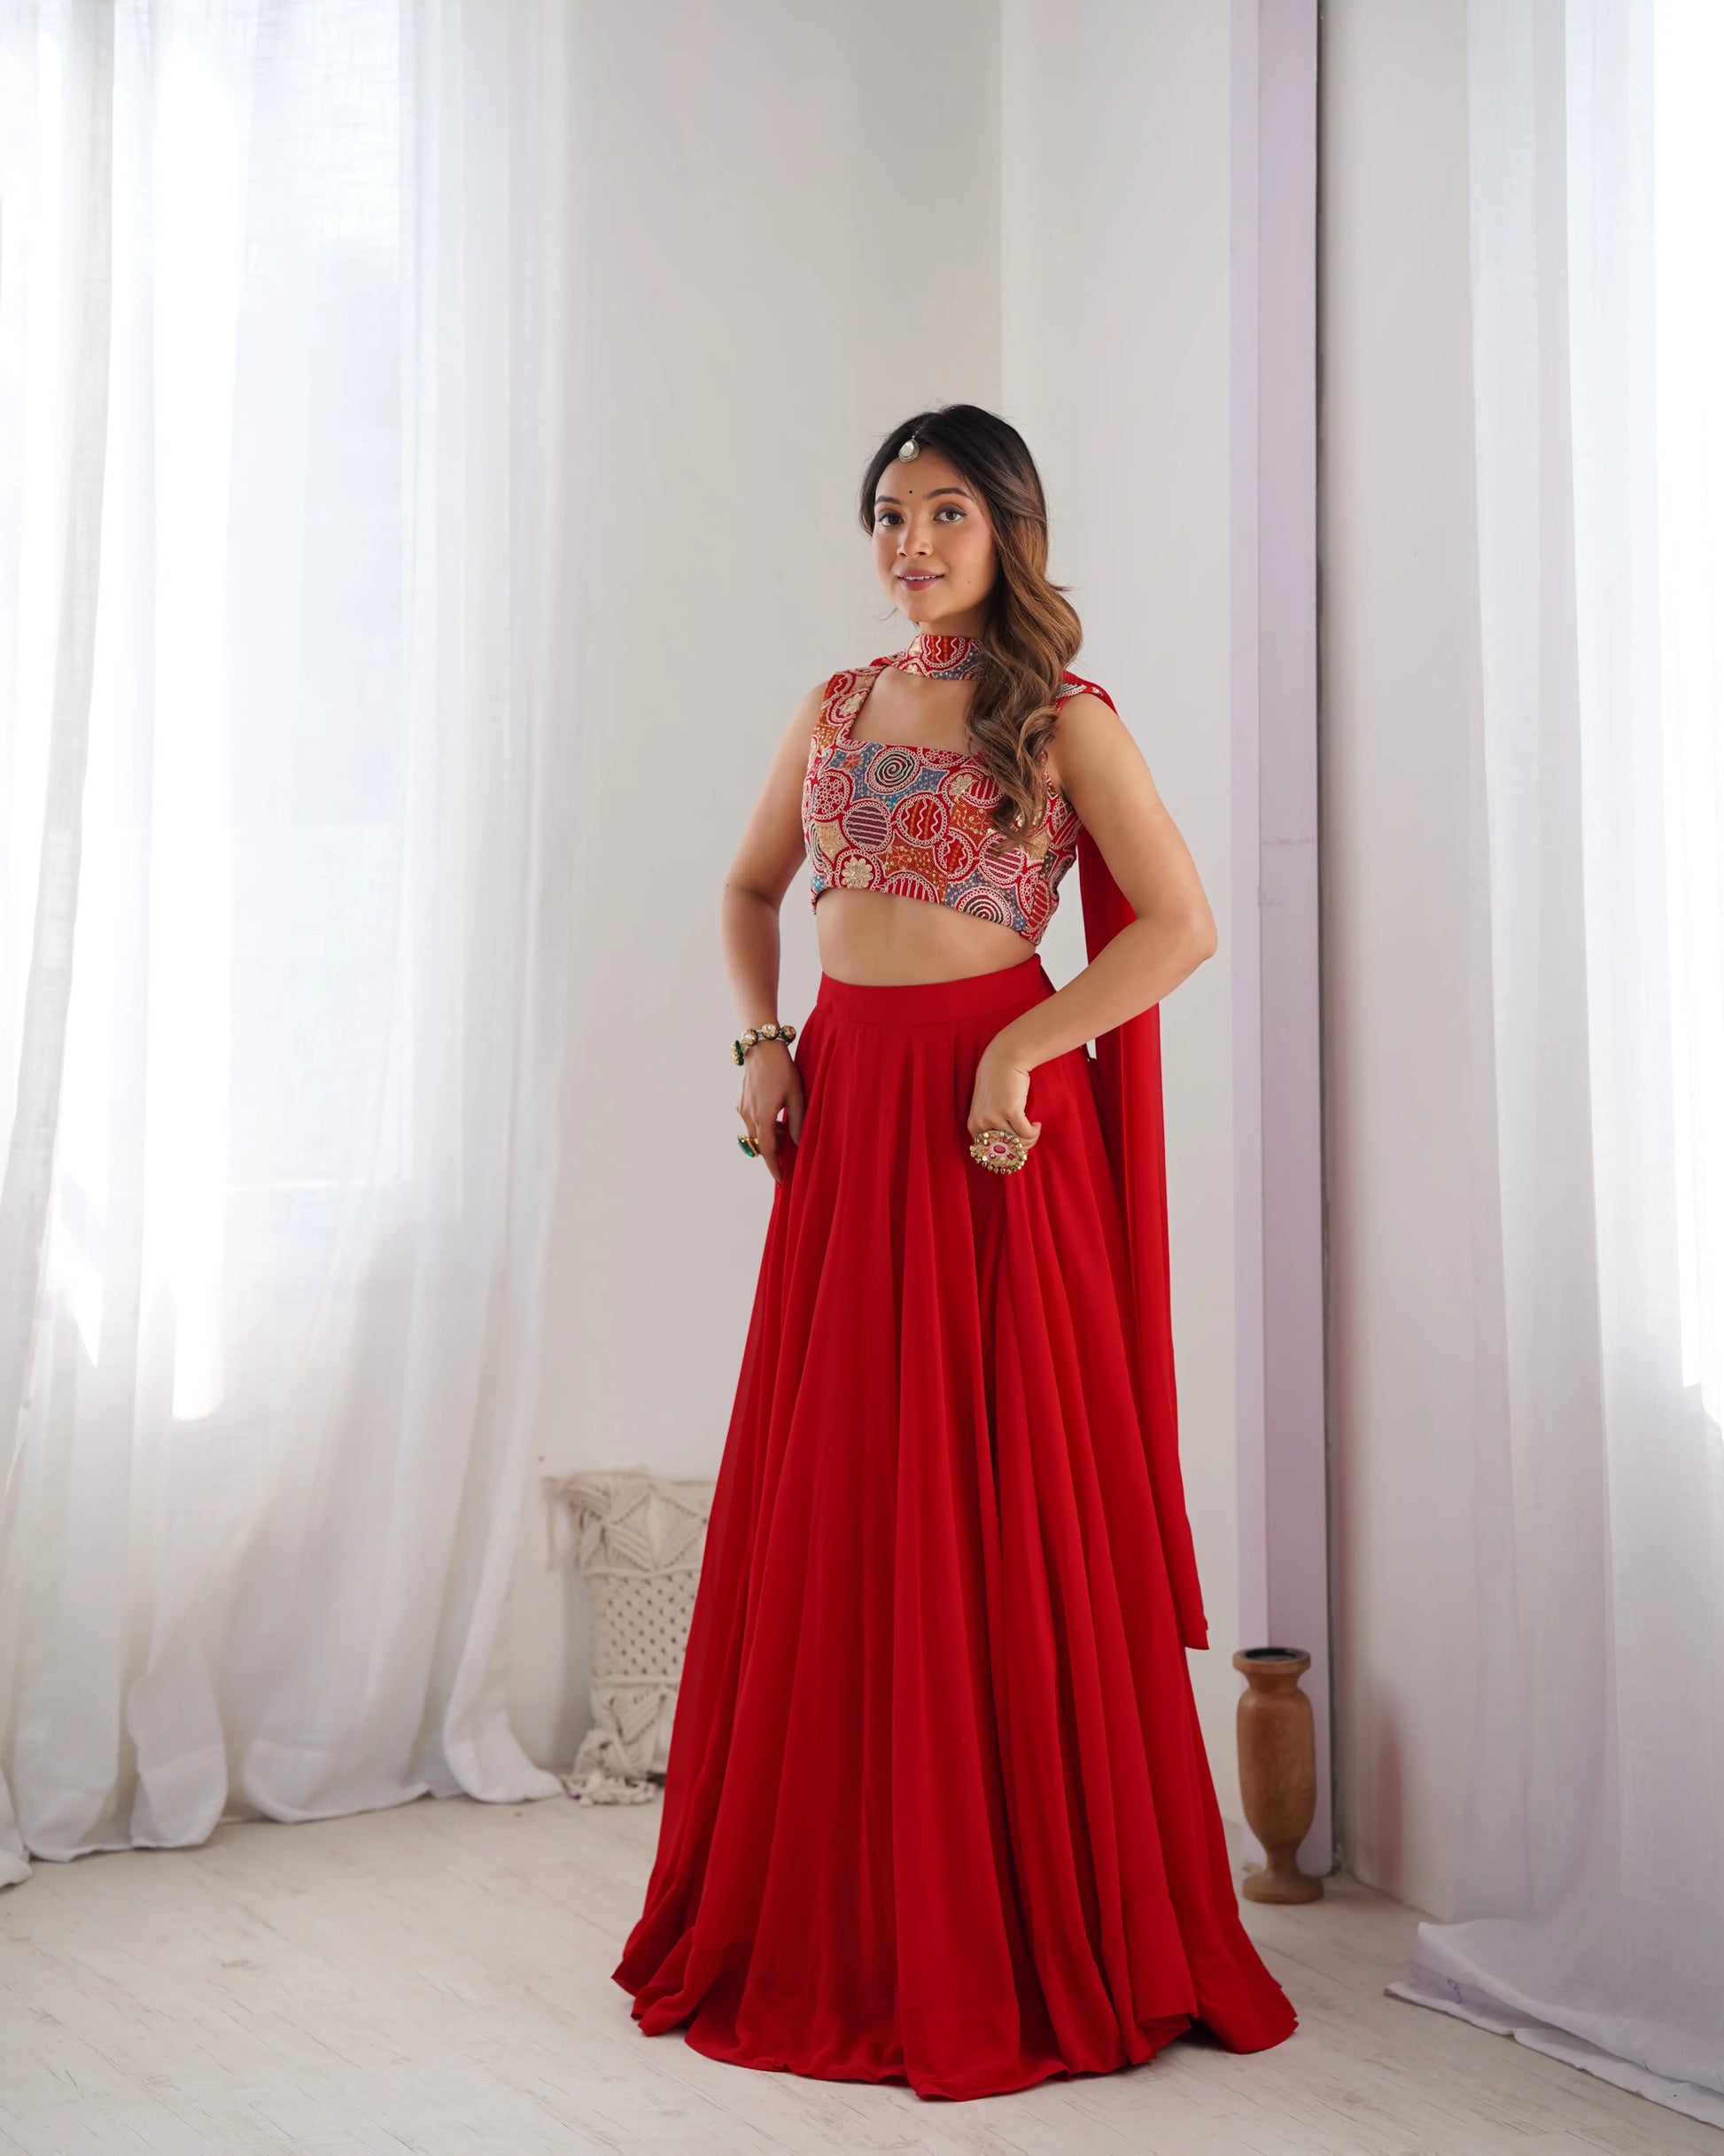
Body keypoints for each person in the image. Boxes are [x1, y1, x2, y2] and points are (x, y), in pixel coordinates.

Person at [611, 403, 1299, 2101]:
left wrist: (1016, 1053)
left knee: (1002, 1503)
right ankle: (845, 1913)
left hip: (992, 1142)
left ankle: (1012, 1915)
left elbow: (1181, 926)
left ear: (1008, 531)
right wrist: (759, 1041)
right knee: (850, 1493)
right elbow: (747, 888)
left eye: (943, 514)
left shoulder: (1064, 717)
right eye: (889, 514)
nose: (910, 543)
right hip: (849, 1123)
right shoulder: (835, 704)